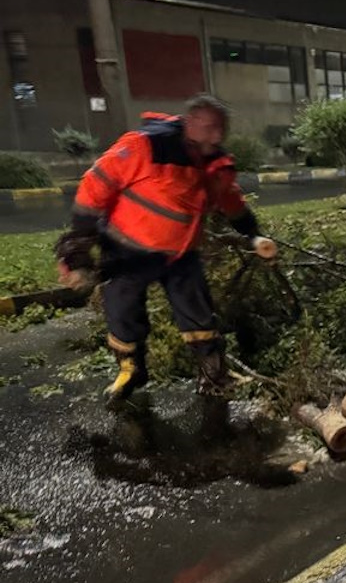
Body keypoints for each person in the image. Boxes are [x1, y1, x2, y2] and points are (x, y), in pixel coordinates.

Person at [54, 94, 275, 400]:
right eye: (210, 127)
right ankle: (130, 371)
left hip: (180, 257)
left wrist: (254, 236)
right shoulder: (143, 146)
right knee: (123, 312)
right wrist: (77, 252)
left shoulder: (216, 166)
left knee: (199, 313)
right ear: (190, 122)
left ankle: (213, 374)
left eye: (221, 128)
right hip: (126, 252)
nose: (217, 135)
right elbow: (95, 188)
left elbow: (232, 203)